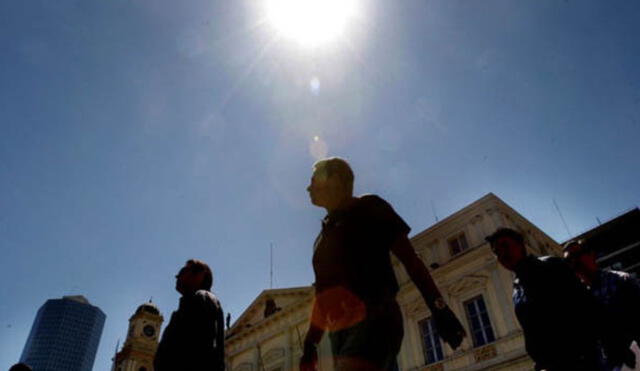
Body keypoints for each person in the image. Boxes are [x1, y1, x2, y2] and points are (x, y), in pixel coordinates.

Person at [300, 157, 465, 371]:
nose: (308, 188)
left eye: (313, 180)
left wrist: (440, 308)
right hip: (339, 333)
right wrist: (310, 344)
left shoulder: (370, 207)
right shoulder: (321, 241)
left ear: (335, 180)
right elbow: (322, 297)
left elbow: (411, 260)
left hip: (374, 315)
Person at [486, 228, 603, 371]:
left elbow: (587, 306)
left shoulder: (550, 266)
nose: (502, 254)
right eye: (497, 252)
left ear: (520, 244)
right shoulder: (517, 291)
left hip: (581, 360)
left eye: (505, 246)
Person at [564, 239, 640, 370]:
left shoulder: (621, 281)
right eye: (569, 260)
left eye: (578, 255)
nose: (575, 262)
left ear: (592, 255)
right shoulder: (575, 300)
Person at [154, 259, 225, 371]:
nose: (177, 276)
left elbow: (205, 350)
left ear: (200, 275)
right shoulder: (188, 304)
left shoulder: (203, 298)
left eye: (183, 271)